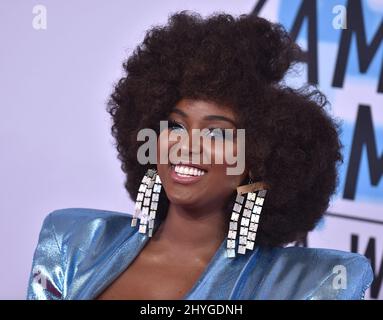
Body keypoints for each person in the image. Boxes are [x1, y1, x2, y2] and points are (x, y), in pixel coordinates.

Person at [27, 11, 373, 300]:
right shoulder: (71, 242)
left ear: (257, 158)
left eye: (217, 132)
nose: (187, 145)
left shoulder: (309, 285)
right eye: (176, 126)